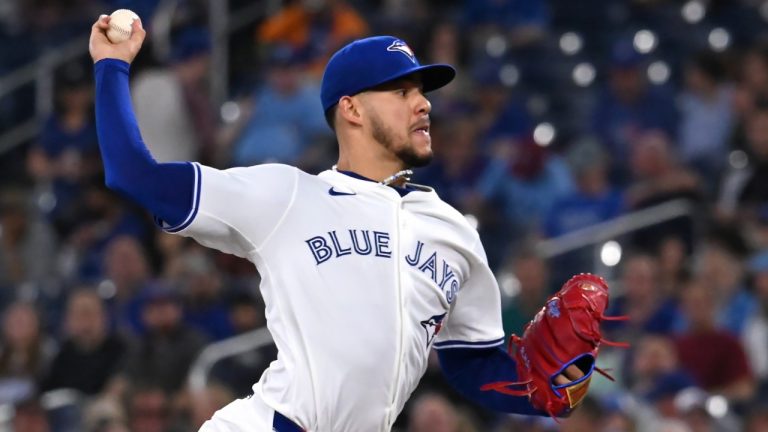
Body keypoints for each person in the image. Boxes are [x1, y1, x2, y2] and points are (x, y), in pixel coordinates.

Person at [89, 15, 595, 432]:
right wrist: (112, 68)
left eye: (422, 90)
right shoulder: (287, 195)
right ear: (351, 109)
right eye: (400, 91)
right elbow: (135, 175)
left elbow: (473, 362)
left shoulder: (453, 231)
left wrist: (552, 389)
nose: (423, 103)